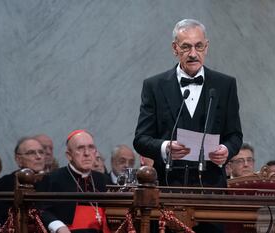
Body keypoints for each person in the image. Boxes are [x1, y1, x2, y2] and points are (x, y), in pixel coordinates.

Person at [133, 18, 242, 189]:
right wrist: (165, 147)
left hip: (212, 187)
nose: (193, 53)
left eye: (198, 46)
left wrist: (226, 150)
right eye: (186, 47)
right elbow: (140, 139)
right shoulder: (154, 86)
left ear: (206, 47)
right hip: (168, 186)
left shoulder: (225, 85)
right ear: (174, 48)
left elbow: (235, 135)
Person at [36, 129, 110, 233]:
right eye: (80, 148)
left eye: (91, 147)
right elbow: (42, 210)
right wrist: (58, 227)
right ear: (69, 155)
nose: (87, 153)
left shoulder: (103, 179)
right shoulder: (53, 178)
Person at [0, 137, 46, 222]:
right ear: (18, 159)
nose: (39, 157)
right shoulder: (5, 182)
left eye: (41, 152)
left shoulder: (53, 180)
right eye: (31, 153)